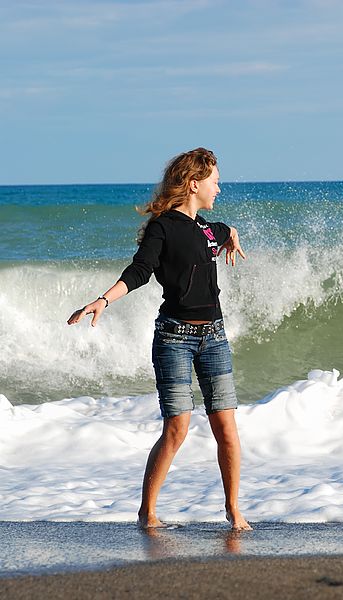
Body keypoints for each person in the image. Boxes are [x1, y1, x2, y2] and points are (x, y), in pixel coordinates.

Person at [67, 148, 252, 531]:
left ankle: (234, 510)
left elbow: (222, 231)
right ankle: (147, 512)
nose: (219, 187)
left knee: (227, 431)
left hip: (214, 337)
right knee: (177, 428)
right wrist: (103, 299)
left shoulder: (206, 228)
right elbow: (140, 270)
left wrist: (231, 235)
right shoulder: (162, 227)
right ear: (194, 183)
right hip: (175, 339)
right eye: (215, 181)